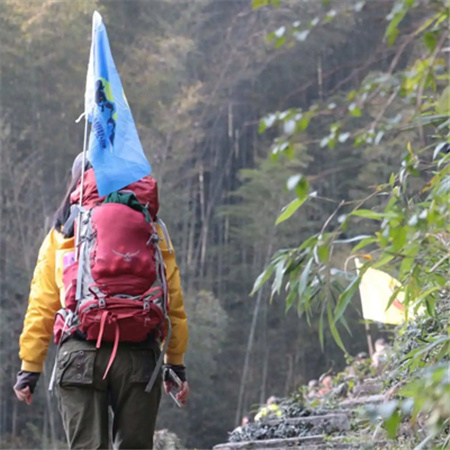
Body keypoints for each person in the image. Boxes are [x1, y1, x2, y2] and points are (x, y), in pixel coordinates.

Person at [13, 154, 189, 449]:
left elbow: (42, 303)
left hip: (80, 352)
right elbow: (172, 299)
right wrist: (176, 364)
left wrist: (30, 367)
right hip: (139, 354)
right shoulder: (150, 226)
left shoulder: (65, 230)